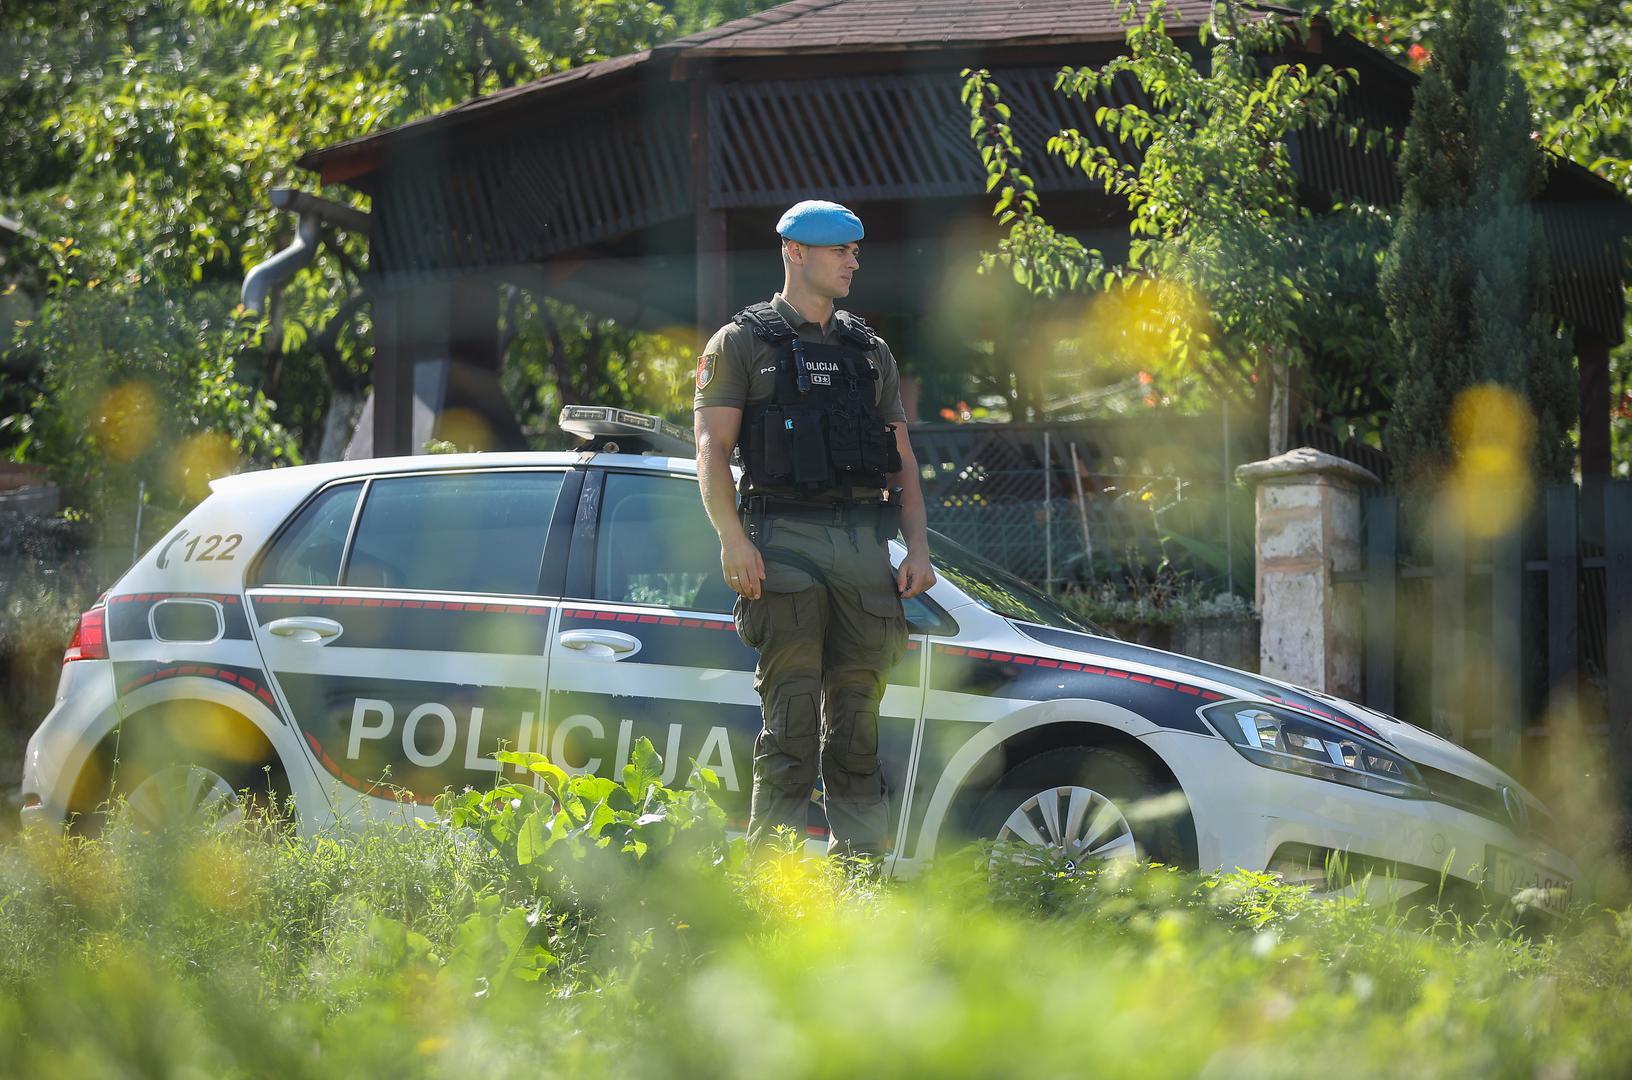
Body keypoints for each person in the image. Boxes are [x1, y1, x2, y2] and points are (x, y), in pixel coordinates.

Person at [693, 199, 935, 856]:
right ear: (796, 253)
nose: (854, 260)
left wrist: (918, 547)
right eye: (840, 250)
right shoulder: (740, 343)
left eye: (857, 250)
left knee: (858, 733)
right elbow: (712, 449)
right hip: (784, 545)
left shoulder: (870, 350)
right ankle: (775, 887)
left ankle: (859, 882)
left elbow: (902, 457)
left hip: (863, 549)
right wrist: (732, 539)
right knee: (791, 728)